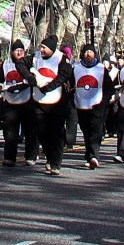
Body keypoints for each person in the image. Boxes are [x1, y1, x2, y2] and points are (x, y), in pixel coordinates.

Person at [28, 35, 73, 175]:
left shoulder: (61, 59)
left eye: (44, 48)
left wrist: (48, 87)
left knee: (57, 132)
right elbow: (21, 64)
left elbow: (64, 76)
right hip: (39, 100)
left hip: (57, 100)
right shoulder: (35, 57)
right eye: (40, 47)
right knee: (41, 131)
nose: (41, 50)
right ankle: (48, 154)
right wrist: (31, 79)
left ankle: (55, 163)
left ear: (51, 49)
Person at [72, 43, 113, 168]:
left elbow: (109, 89)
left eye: (90, 52)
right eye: (85, 52)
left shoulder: (101, 69)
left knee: (96, 131)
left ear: (94, 54)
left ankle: (94, 156)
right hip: (81, 106)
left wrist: (102, 104)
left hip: (98, 106)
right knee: (86, 131)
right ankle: (88, 155)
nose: (88, 55)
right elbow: (70, 87)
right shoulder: (76, 68)